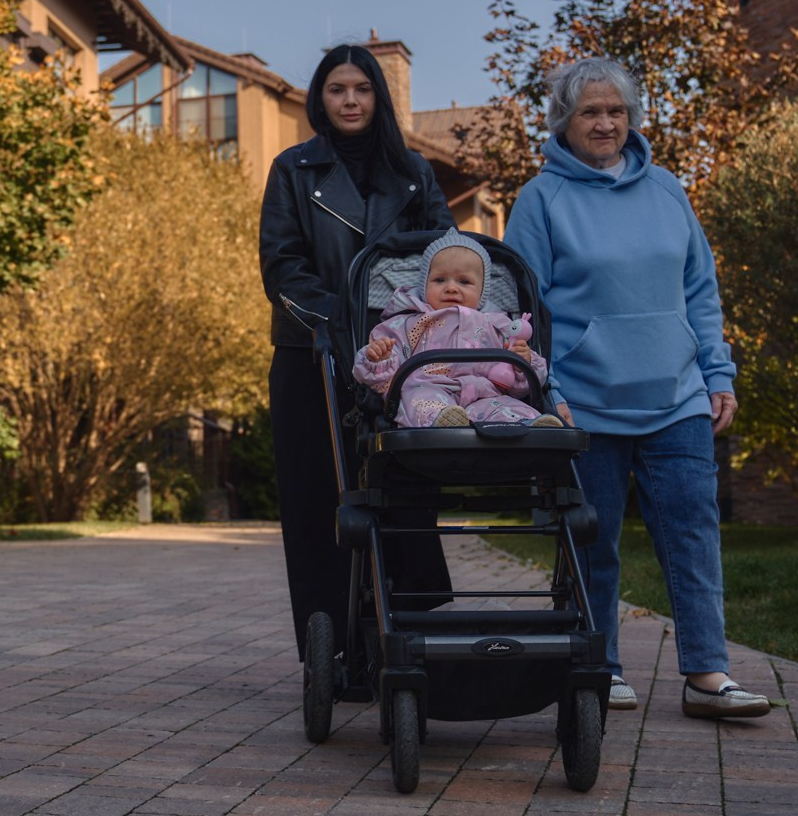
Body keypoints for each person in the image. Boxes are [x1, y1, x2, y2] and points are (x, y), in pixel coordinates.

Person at [504, 56, 771, 721]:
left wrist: (718, 373)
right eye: (590, 112)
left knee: (693, 529)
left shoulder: (668, 190)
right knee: (593, 538)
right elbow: (521, 305)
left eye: (615, 111)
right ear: (565, 121)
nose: (604, 123)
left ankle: (708, 673)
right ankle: (602, 664)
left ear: (632, 118)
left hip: (677, 394)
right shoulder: (542, 199)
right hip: (585, 398)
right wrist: (547, 386)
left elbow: (700, 291)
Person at [260, 44, 453, 670]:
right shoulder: (293, 169)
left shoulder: (415, 174)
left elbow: (446, 258)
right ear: (321, 98)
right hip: (312, 355)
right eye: (338, 89)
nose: (350, 100)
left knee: (404, 492)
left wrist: (400, 328)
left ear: (378, 97)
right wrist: (341, 325)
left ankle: (411, 635)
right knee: (320, 504)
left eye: (362, 89)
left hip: (403, 359)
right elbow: (282, 265)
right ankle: (332, 646)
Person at [352, 232, 563, 428]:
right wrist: (379, 359)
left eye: (464, 281)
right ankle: (441, 421)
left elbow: (519, 387)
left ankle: (529, 426)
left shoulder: (499, 327)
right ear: (424, 285)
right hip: (429, 387)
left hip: (485, 395)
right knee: (418, 399)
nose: (451, 287)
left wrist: (523, 363)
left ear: (482, 292)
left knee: (508, 407)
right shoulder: (407, 323)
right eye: (440, 280)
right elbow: (384, 383)